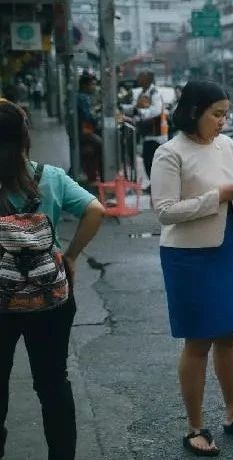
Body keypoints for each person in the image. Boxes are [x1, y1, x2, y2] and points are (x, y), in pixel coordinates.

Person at [150, 81, 233, 457]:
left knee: (230, 335)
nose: (222, 121)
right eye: (216, 114)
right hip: (188, 256)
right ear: (194, 111)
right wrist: (216, 197)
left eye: (225, 114)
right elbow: (165, 211)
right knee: (198, 341)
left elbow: (230, 200)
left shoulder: (229, 146)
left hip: (227, 247)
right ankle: (194, 427)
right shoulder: (170, 153)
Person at [0, 99, 106, 460]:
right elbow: (95, 209)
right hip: (51, 297)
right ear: (25, 137)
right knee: (52, 382)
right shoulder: (49, 177)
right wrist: (71, 255)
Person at [130, 71, 165, 187]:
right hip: (147, 132)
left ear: (148, 79)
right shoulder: (142, 93)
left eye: (140, 76)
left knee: (152, 160)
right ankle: (154, 184)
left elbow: (156, 111)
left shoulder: (154, 93)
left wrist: (141, 112)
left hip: (156, 134)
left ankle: (156, 185)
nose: (137, 79)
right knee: (147, 160)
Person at [77, 74, 104, 183]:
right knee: (103, 145)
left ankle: (93, 174)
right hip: (84, 132)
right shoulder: (83, 97)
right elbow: (88, 116)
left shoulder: (83, 96)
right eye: (92, 84)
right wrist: (97, 118)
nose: (94, 87)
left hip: (85, 130)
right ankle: (101, 175)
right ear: (85, 85)